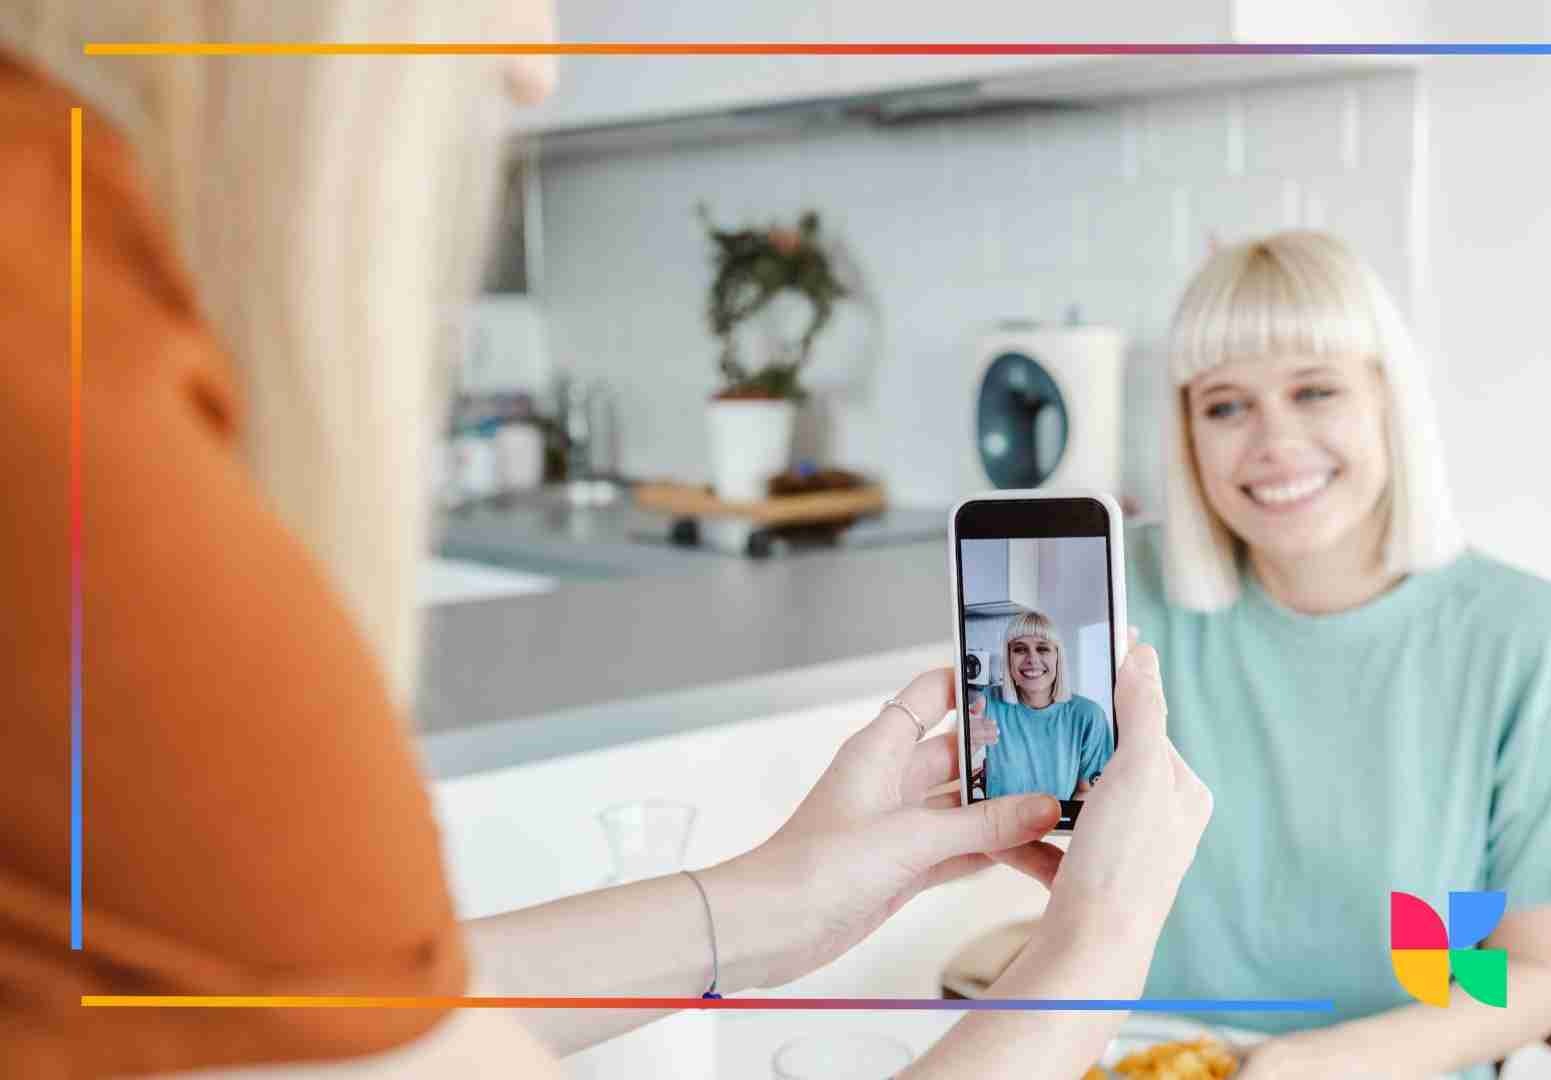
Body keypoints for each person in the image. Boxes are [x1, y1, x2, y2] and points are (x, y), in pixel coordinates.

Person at [0, 7, 1212, 1077]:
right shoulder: (73, 418)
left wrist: (771, 900)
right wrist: (1091, 960)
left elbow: (318, 1001)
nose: (537, 58)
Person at [1130, 232, 1551, 1079]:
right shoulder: (1125, 602)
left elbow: (1532, 972)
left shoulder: (1535, 642)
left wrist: (1303, 1066)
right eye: (1225, 405)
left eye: (1315, 390)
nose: (1273, 440)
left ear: (1388, 398)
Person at [967, 608, 1115, 801]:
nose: (1032, 659)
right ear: (1009, 658)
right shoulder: (985, 704)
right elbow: (963, 776)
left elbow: (1089, 791)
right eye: (1020, 649)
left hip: (1058, 829)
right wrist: (966, 747)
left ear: (1058, 657)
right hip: (994, 827)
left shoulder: (1088, 716)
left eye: (1043, 648)